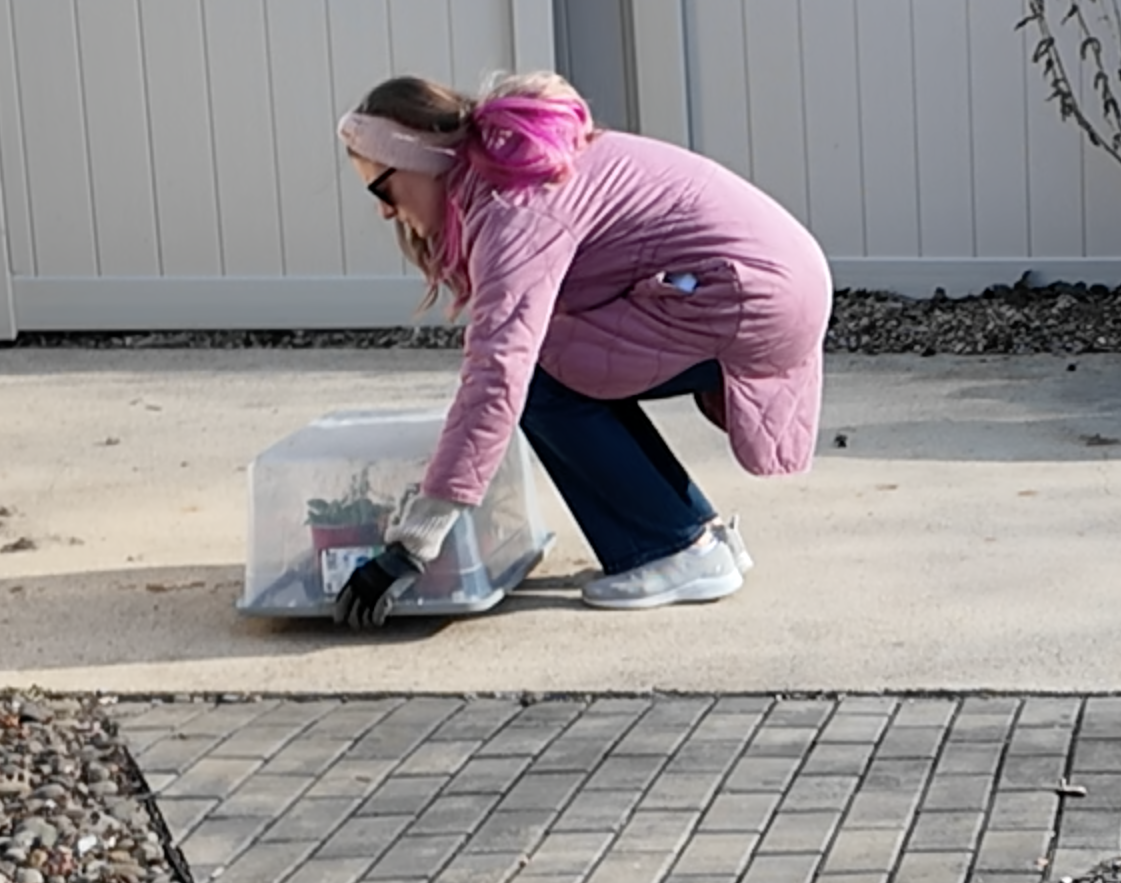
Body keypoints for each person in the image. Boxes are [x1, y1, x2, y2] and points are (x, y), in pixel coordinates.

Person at [329, 72, 830, 628]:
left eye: (382, 188)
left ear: (421, 159)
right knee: (566, 358)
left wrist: (414, 541)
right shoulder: (513, 167)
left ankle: (676, 551)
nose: (383, 211)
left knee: (541, 375)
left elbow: (497, 371)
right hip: (771, 285)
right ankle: (693, 536)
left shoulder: (514, 204)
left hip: (751, 296)